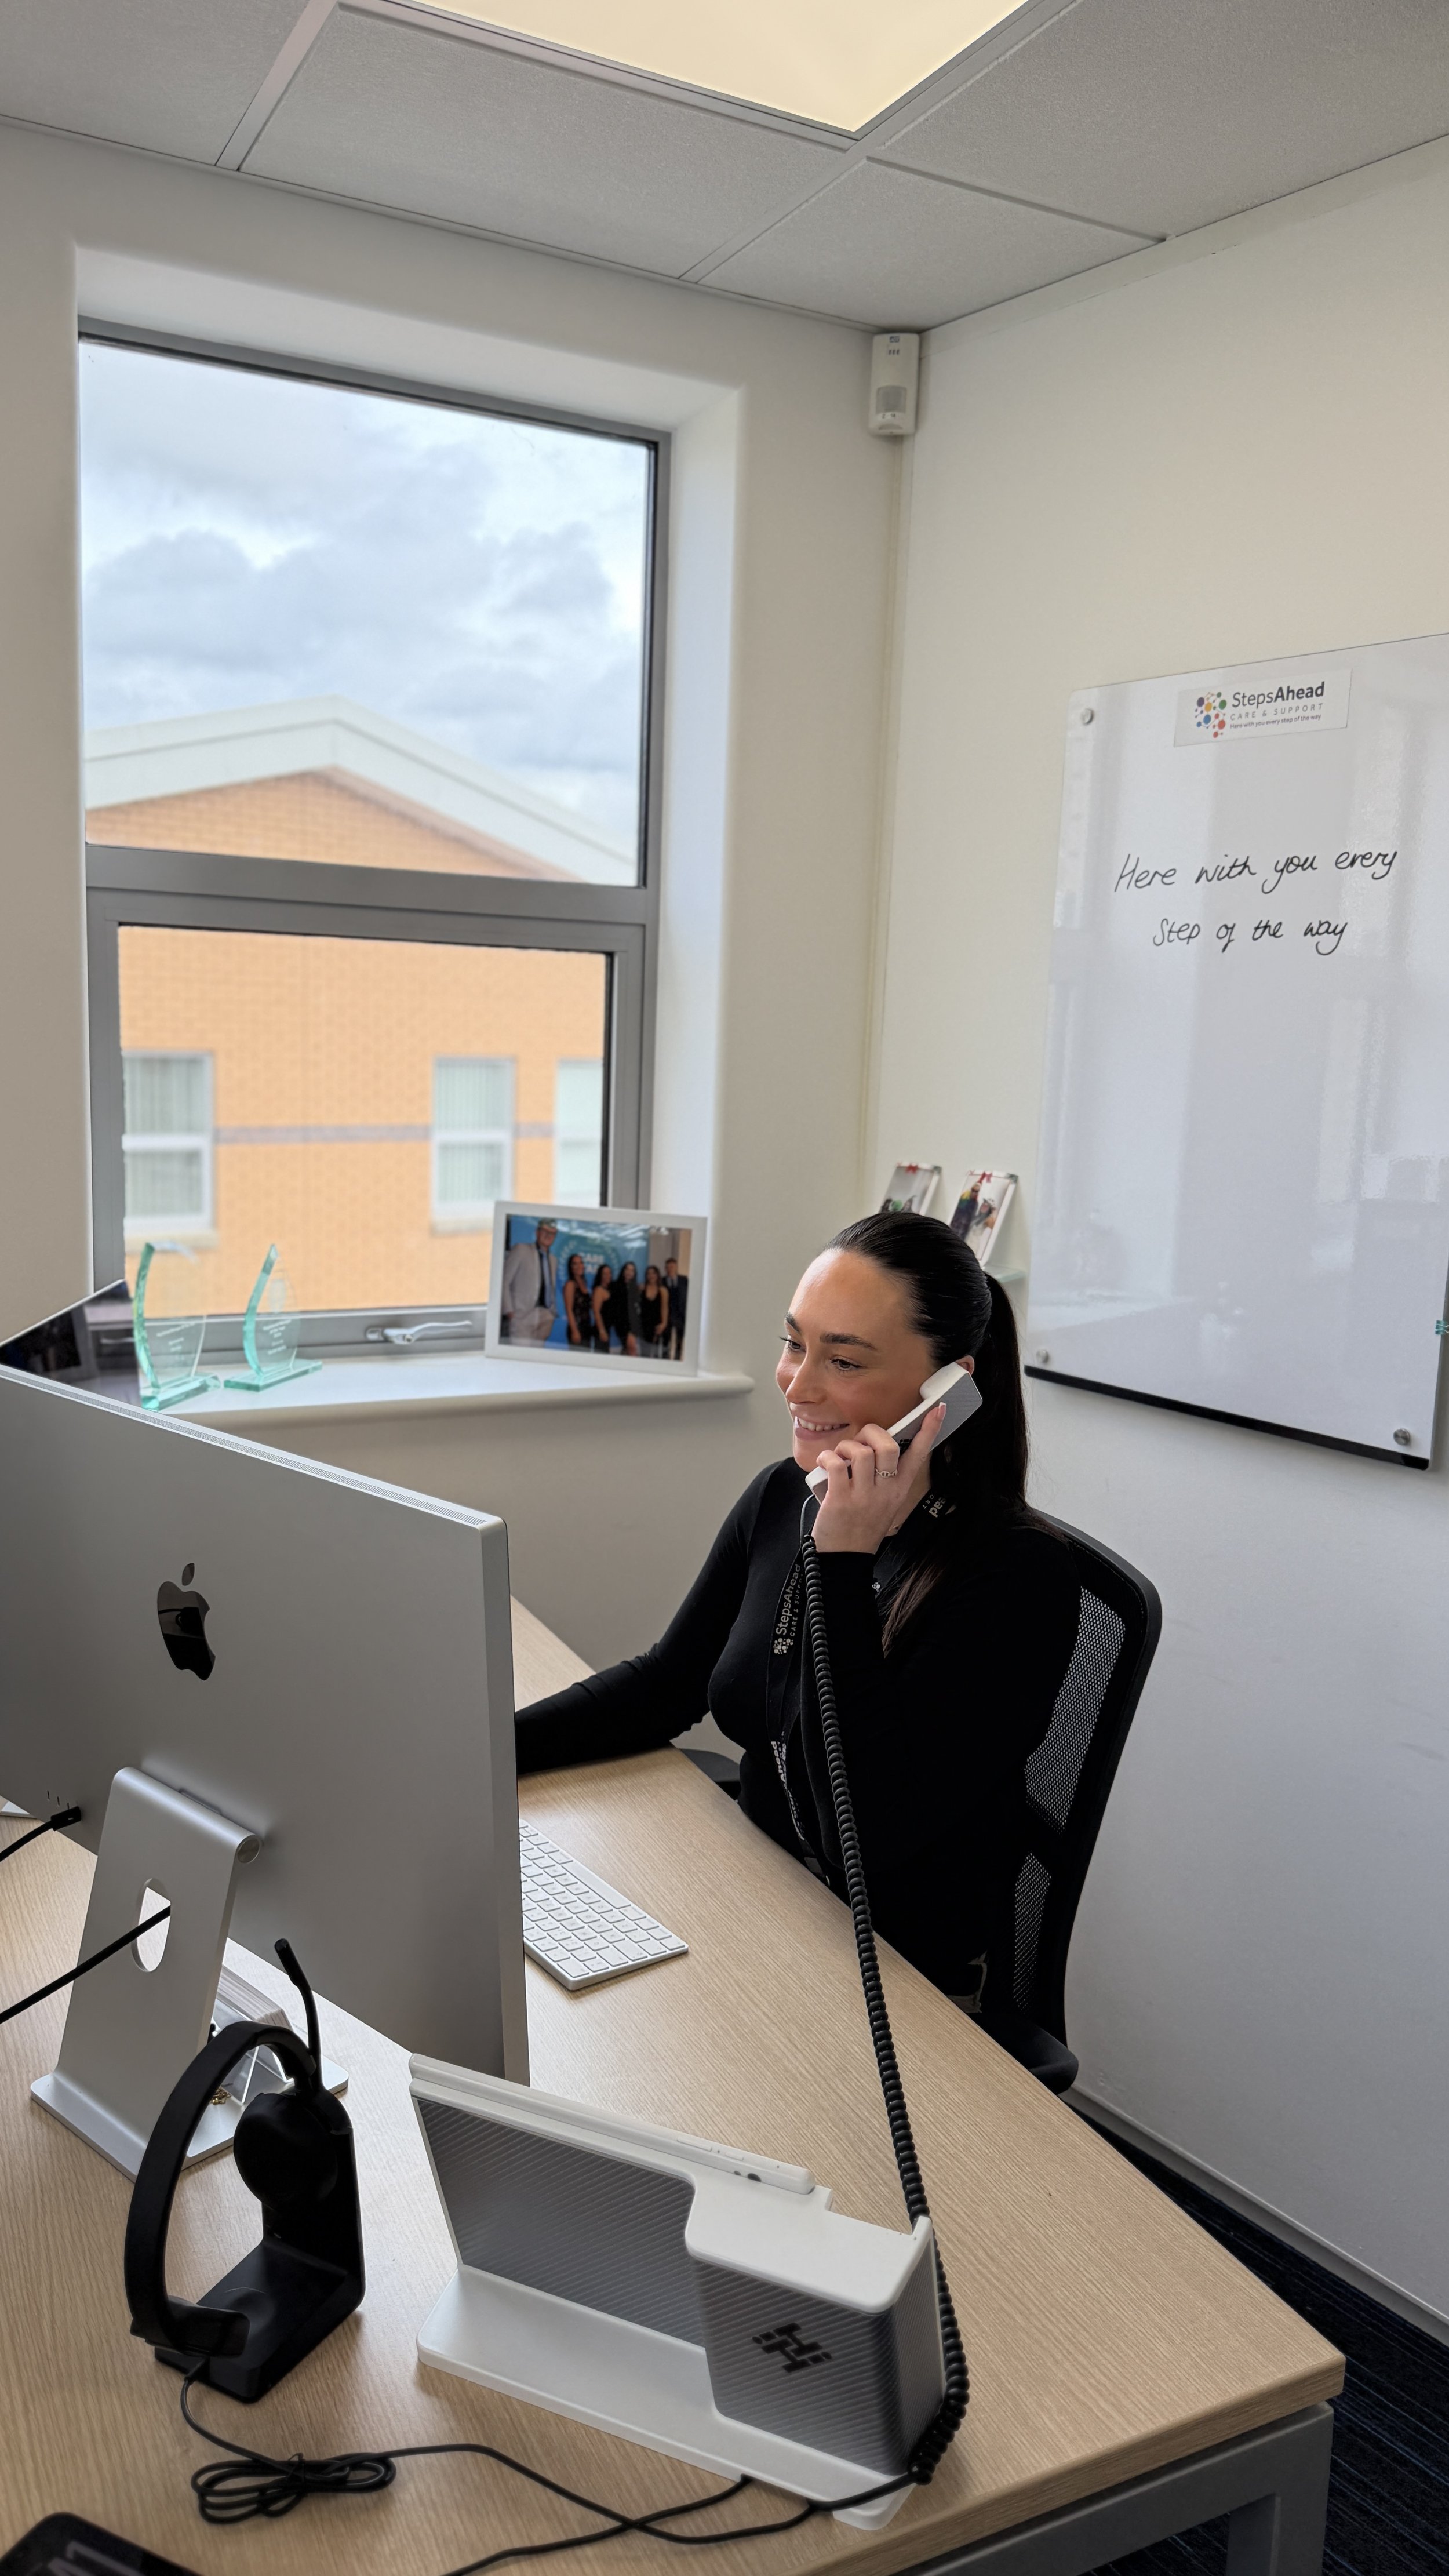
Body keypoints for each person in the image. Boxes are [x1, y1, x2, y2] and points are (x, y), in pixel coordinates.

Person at [516, 1211, 1081, 2021]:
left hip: (898, 1982)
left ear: (946, 1391)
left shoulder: (1015, 1577)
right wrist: (480, 1756)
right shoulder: (786, 1495)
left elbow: (867, 1828)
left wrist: (844, 1559)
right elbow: (667, 1684)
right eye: (794, 1343)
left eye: (842, 1360)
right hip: (752, 1898)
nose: (797, 1383)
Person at [499, 1218, 559, 1344]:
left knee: (538, 1358)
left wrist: (552, 1313)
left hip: (545, 1317)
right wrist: (509, 1311)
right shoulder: (521, 1250)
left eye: (552, 1233)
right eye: (545, 1231)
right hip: (522, 1316)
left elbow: (550, 1287)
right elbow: (505, 1280)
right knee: (520, 1358)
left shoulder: (554, 1260)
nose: (548, 1236)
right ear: (537, 1233)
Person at [607, 1259, 642, 1356]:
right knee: (628, 1348)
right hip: (621, 1323)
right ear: (623, 1271)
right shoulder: (614, 1286)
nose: (629, 1272)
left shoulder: (636, 1288)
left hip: (633, 1324)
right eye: (627, 1269)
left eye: (632, 1270)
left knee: (631, 1348)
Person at [562, 1252, 591, 1347]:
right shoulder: (570, 1284)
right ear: (571, 1268)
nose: (579, 1266)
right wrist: (575, 1331)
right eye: (575, 1264)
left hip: (587, 1328)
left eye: (581, 1263)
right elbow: (569, 1310)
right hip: (577, 1328)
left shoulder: (584, 1284)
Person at [662, 1254, 688, 1360]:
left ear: (676, 1267)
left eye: (672, 1266)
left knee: (680, 1340)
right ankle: (665, 1360)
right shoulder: (662, 1281)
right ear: (665, 1268)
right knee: (666, 1340)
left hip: (680, 1314)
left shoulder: (684, 1280)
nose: (670, 1269)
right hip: (667, 1315)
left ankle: (677, 1360)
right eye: (668, 1267)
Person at [639, 1264, 668, 1357]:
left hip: (657, 1327)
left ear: (657, 1275)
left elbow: (665, 1309)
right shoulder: (641, 1288)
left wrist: (664, 1324)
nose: (651, 1276)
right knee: (644, 1353)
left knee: (655, 1354)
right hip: (643, 1326)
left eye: (653, 1273)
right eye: (649, 1274)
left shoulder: (663, 1291)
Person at [590, 1261, 615, 1352]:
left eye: (609, 1273)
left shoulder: (610, 1290)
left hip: (607, 1329)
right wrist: (602, 1330)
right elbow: (596, 1311)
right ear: (600, 1275)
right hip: (601, 1330)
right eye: (605, 1274)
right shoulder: (599, 1290)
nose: (608, 1276)